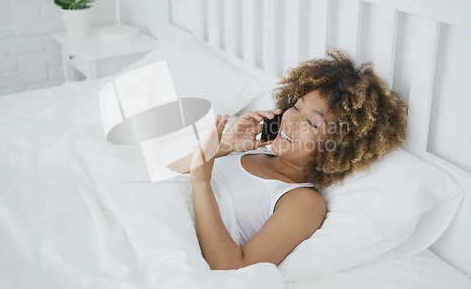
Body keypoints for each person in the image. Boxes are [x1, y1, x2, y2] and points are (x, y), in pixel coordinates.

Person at [167, 48, 408, 271]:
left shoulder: (303, 201)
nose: (290, 121)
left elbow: (233, 269)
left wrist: (201, 184)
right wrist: (224, 147)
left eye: (311, 122)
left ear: (335, 149)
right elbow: (165, 175)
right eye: (295, 107)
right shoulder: (249, 149)